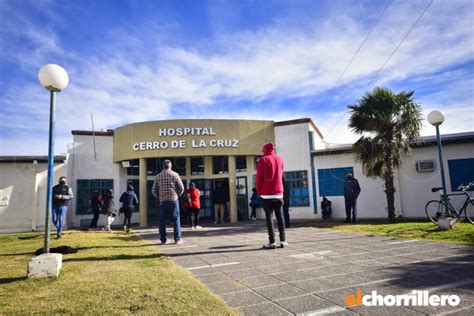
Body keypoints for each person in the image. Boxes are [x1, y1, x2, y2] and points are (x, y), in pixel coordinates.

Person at [256, 143, 287, 249]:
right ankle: (283, 240)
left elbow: (259, 178)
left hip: (267, 194)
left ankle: (272, 242)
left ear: (265, 150)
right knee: (280, 217)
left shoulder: (263, 160)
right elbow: (281, 175)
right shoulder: (280, 159)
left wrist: (259, 192)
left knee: (269, 218)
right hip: (279, 193)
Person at [152, 159, 184, 244]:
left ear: (163, 166)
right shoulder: (175, 175)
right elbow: (181, 188)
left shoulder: (158, 176)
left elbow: (153, 190)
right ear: (171, 166)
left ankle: (163, 239)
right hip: (173, 200)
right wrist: (177, 195)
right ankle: (177, 239)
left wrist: (159, 197)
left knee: (162, 220)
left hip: (162, 201)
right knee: (176, 219)